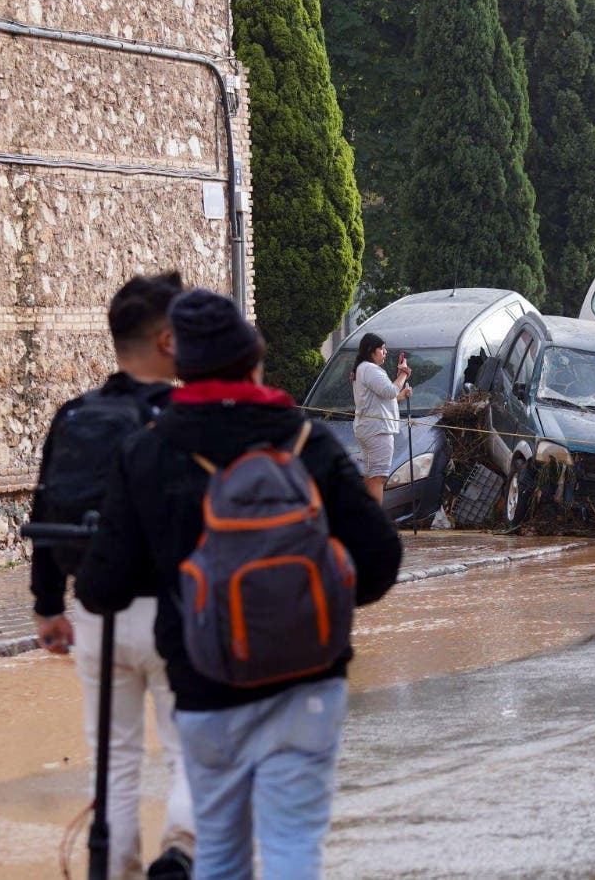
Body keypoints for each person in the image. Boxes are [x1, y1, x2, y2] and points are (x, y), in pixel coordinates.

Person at [77, 289, 403, 879]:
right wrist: (308, 603)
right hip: (308, 683)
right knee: (292, 850)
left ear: (183, 368)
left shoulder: (147, 454)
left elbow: (103, 588)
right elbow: (381, 560)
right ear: (253, 360)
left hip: (204, 686)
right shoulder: (308, 444)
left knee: (221, 856)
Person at [28, 271, 195, 880]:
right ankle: (179, 855)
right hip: (178, 615)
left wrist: (49, 608)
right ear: (169, 341)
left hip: (97, 616)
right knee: (190, 757)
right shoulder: (187, 419)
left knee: (115, 767)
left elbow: (45, 510)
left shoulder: (75, 415)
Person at [351, 331, 411, 502]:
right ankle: (375, 524)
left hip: (368, 428)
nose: (385, 352)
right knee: (378, 477)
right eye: (382, 349)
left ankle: (367, 521)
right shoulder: (370, 369)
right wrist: (403, 374)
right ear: (371, 350)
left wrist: (402, 395)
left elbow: (383, 398)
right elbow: (390, 391)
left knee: (371, 476)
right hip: (377, 431)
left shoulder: (362, 368)